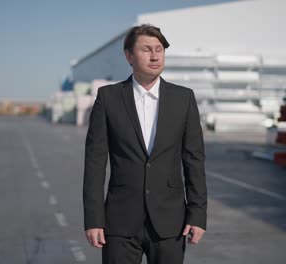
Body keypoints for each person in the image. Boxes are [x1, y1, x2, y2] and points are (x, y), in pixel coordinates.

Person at [83, 24, 207, 264]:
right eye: (146, 49)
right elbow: (95, 163)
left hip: (171, 222)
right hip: (119, 221)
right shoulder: (108, 98)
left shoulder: (184, 99)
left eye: (159, 49)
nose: (154, 55)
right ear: (129, 56)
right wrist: (94, 219)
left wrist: (198, 214)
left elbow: (194, 160)